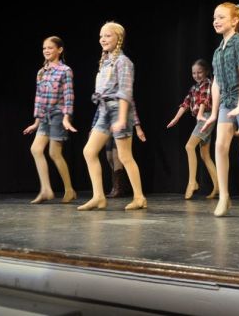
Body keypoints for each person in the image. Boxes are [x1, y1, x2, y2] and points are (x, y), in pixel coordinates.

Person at [200, 2, 239, 217]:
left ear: (235, 21)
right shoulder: (218, 51)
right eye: (214, 18)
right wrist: (214, 113)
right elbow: (216, 83)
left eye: (221, 17)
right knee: (220, 146)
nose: (216, 21)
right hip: (227, 102)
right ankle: (224, 197)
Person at [78, 21, 147, 211]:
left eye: (108, 35)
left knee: (124, 156)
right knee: (89, 151)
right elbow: (102, 95)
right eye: (101, 36)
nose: (103, 39)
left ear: (119, 38)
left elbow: (125, 92)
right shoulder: (105, 62)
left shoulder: (123, 62)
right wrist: (97, 121)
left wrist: (122, 118)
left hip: (118, 109)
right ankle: (98, 197)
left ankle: (139, 197)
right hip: (105, 111)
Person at [23, 36, 77, 204]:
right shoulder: (41, 72)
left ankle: (69, 190)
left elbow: (69, 96)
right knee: (36, 149)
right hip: (45, 116)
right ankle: (46, 190)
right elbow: (38, 98)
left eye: (50, 48)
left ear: (59, 50)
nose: (46, 50)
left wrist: (67, 118)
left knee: (54, 153)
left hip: (58, 115)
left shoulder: (65, 70)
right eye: (44, 48)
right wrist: (36, 122)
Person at [167, 59, 219, 200]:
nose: (197, 75)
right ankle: (218, 186)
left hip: (206, 117)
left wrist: (200, 114)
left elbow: (204, 100)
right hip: (201, 119)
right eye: (194, 73)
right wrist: (176, 118)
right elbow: (186, 103)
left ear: (206, 72)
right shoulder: (194, 87)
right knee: (205, 155)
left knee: (189, 146)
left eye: (199, 72)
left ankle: (192, 182)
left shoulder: (207, 83)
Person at [92, 101, 146, 198]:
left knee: (117, 156)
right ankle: (118, 185)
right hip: (107, 125)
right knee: (109, 157)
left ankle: (118, 188)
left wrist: (138, 128)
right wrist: (93, 127)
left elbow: (132, 108)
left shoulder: (122, 93)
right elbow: (99, 110)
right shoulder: (105, 95)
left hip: (121, 124)